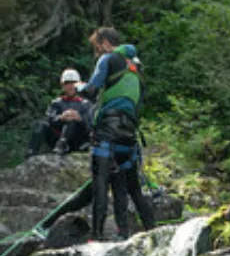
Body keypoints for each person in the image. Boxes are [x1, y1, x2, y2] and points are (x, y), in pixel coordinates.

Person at [78, 26, 155, 241]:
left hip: (108, 131)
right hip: (129, 133)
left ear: (103, 43)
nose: (97, 53)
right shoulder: (136, 68)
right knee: (131, 188)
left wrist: (79, 88)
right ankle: (149, 232)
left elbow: (92, 90)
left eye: (97, 47)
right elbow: (139, 102)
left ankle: (96, 236)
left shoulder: (108, 60)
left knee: (100, 182)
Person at [27, 68, 93, 157]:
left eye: (73, 83)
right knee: (40, 124)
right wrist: (61, 118)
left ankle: (63, 144)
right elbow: (49, 119)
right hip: (57, 136)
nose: (70, 86)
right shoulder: (56, 103)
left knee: (71, 122)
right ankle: (31, 152)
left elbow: (91, 126)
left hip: (77, 139)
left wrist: (79, 119)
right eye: (67, 83)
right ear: (62, 86)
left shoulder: (85, 104)